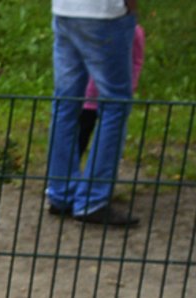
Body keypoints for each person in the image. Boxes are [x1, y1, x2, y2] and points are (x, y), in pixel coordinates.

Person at [46, 0, 141, 227]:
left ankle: (61, 192)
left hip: (64, 10)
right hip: (104, 14)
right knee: (115, 104)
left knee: (65, 103)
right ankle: (92, 199)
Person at [74, 21, 145, 170]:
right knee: (81, 135)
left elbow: (136, 61)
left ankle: (99, 172)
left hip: (115, 95)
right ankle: (71, 171)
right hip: (89, 95)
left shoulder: (134, 31)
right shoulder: (93, 27)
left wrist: (132, 83)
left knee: (109, 138)